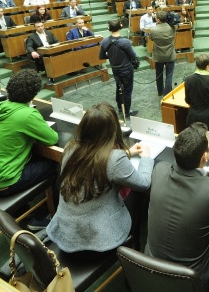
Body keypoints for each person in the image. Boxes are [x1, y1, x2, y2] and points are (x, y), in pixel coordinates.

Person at [146, 121, 209, 291]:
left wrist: (202, 171)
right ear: (205, 157)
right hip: (195, 278)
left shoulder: (159, 169)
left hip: (151, 269)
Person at [47, 103, 153, 254]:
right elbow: (144, 183)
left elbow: (96, 160)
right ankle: (134, 249)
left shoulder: (71, 148)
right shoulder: (115, 159)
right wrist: (147, 158)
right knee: (135, 193)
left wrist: (127, 153)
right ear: (114, 129)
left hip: (66, 235)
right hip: (97, 244)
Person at [0, 69, 59, 202]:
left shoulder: (1, 107)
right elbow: (52, 138)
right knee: (54, 164)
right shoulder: (27, 114)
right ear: (34, 94)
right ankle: (42, 214)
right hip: (4, 184)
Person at [100, 20, 139, 117]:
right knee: (127, 91)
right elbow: (133, 56)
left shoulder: (105, 41)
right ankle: (127, 112)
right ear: (120, 27)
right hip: (127, 70)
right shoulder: (125, 42)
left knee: (119, 88)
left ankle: (119, 107)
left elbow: (101, 56)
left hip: (115, 70)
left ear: (109, 28)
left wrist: (111, 56)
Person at [149, 11, 176, 97]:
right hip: (170, 55)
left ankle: (160, 91)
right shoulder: (172, 28)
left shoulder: (154, 30)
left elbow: (151, 38)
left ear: (158, 19)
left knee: (158, 74)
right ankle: (167, 93)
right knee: (169, 75)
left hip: (159, 56)